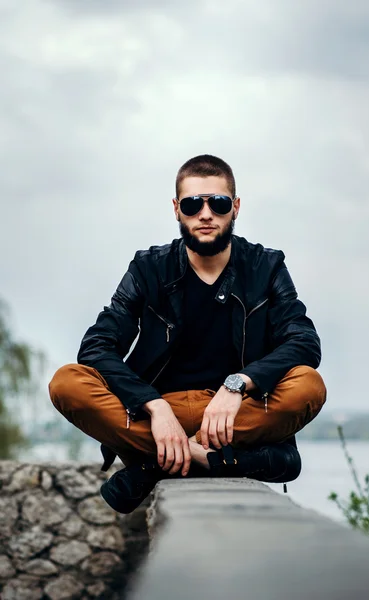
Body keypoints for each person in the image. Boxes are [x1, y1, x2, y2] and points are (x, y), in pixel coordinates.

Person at [49, 154, 327, 514]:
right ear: (177, 209)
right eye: (193, 203)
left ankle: (160, 461)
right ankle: (206, 456)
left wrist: (238, 384)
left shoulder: (265, 265)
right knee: (67, 382)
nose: (206, 214)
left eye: (219, 203)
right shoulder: (149, 268)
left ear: (236, 207)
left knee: (309, 385)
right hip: (159, 415)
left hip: (236, 414)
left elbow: (304, 340)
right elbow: (97, 346)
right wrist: (155, 405)